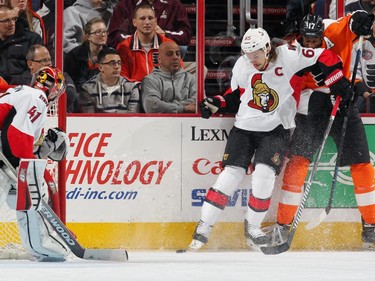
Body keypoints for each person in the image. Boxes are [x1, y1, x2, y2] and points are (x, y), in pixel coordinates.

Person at [188, 27, 352, 250]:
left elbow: (323, 55)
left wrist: (336, 78)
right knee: (229, 176)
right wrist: (217, 102)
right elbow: (235, 96)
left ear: (267, 47)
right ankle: (203, 229)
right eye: (248, 53)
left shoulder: (288, 56)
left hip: (277, 129)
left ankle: (253, 229)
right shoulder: (242, 64)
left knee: (264, 177)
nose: (252, 59)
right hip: (244, 128)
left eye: (256, 53)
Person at [272, 12, 375, 247]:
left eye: (314, 40)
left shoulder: (333, 30)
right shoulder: (289, 52)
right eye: (305, 40)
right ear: (299, 35)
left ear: (321, 34)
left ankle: (371, 225)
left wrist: (360, 19)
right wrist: (333, 83)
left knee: (361, 162)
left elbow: (349, 21)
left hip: (343, 103)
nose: (309, 44)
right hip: (311, 105)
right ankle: (282, 225)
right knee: (298, 162)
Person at [0, 66, 71, 261]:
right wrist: (24, 164)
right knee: (34, 188)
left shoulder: (25, 93)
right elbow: (16, 134)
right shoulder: (37, 98)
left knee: (24, 193)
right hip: (6, 152)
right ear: (54, 89)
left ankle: (41, 246)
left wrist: (40, 150)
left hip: (4, 151)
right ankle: (43, 246)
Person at [116, 2, 181, 82]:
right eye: (142, 18)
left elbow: (179, 75)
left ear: (155, 21)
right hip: (135, 91)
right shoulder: (124, 47)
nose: (147, 22)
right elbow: (123, 78)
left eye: (150, 18)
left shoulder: (168, 45)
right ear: (134, 22)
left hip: (164, 92)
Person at [107, 0, 192, 57]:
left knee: (182, 48)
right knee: (114, 50)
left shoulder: (174, 4)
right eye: (142, 18)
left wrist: (165, 34)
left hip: (164, 53)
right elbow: (113, 36)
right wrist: (140, 39)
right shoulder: (125, 5)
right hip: (133, 54)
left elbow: (186, 34)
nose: (147, 22)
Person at [8, 44, 78, 112]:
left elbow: (70, 95)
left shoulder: (62, 76)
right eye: (44, 60)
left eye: (49, 60)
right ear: (30, 64)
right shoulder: (19, 81)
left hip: (63, 118)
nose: (49, 63)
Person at [79, 48, 141, 113]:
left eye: (119, 63)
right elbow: (88, 119)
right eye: (112, 63)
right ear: (100, 67)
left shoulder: (131, 88)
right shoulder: (87, 89)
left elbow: (133, 118)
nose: (117, 67)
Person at [141, 41, 196, 113]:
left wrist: (166, 106)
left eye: (178, 54)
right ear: (159, 59)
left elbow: (197, 102)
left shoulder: (191, 79)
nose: (175, 57)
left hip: (187, 123)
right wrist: (183, 108)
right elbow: (152, 107)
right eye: (169, 54)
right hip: (158, 123)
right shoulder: (150, 80)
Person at [64, 16, 110, 92]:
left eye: (105, 31)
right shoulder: (74, 55)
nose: (103, 35)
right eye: (98, 32)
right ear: (88, 36)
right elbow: (69, 82)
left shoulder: (111, 55)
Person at [0, 5, 42, 83]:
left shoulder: (31, 39)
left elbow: (37, 70)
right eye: (6, 21)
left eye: (13, 19)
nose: (12, 24)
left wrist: (13, 82)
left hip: (24, 88)